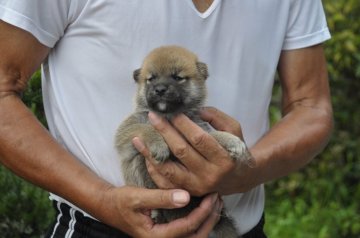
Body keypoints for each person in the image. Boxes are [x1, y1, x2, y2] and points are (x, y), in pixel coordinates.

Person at [0, 0, 333, 237]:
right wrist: (103, 200)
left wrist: (248, 170)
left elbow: (311, 105)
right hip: (102, 226)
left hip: (232, 226)